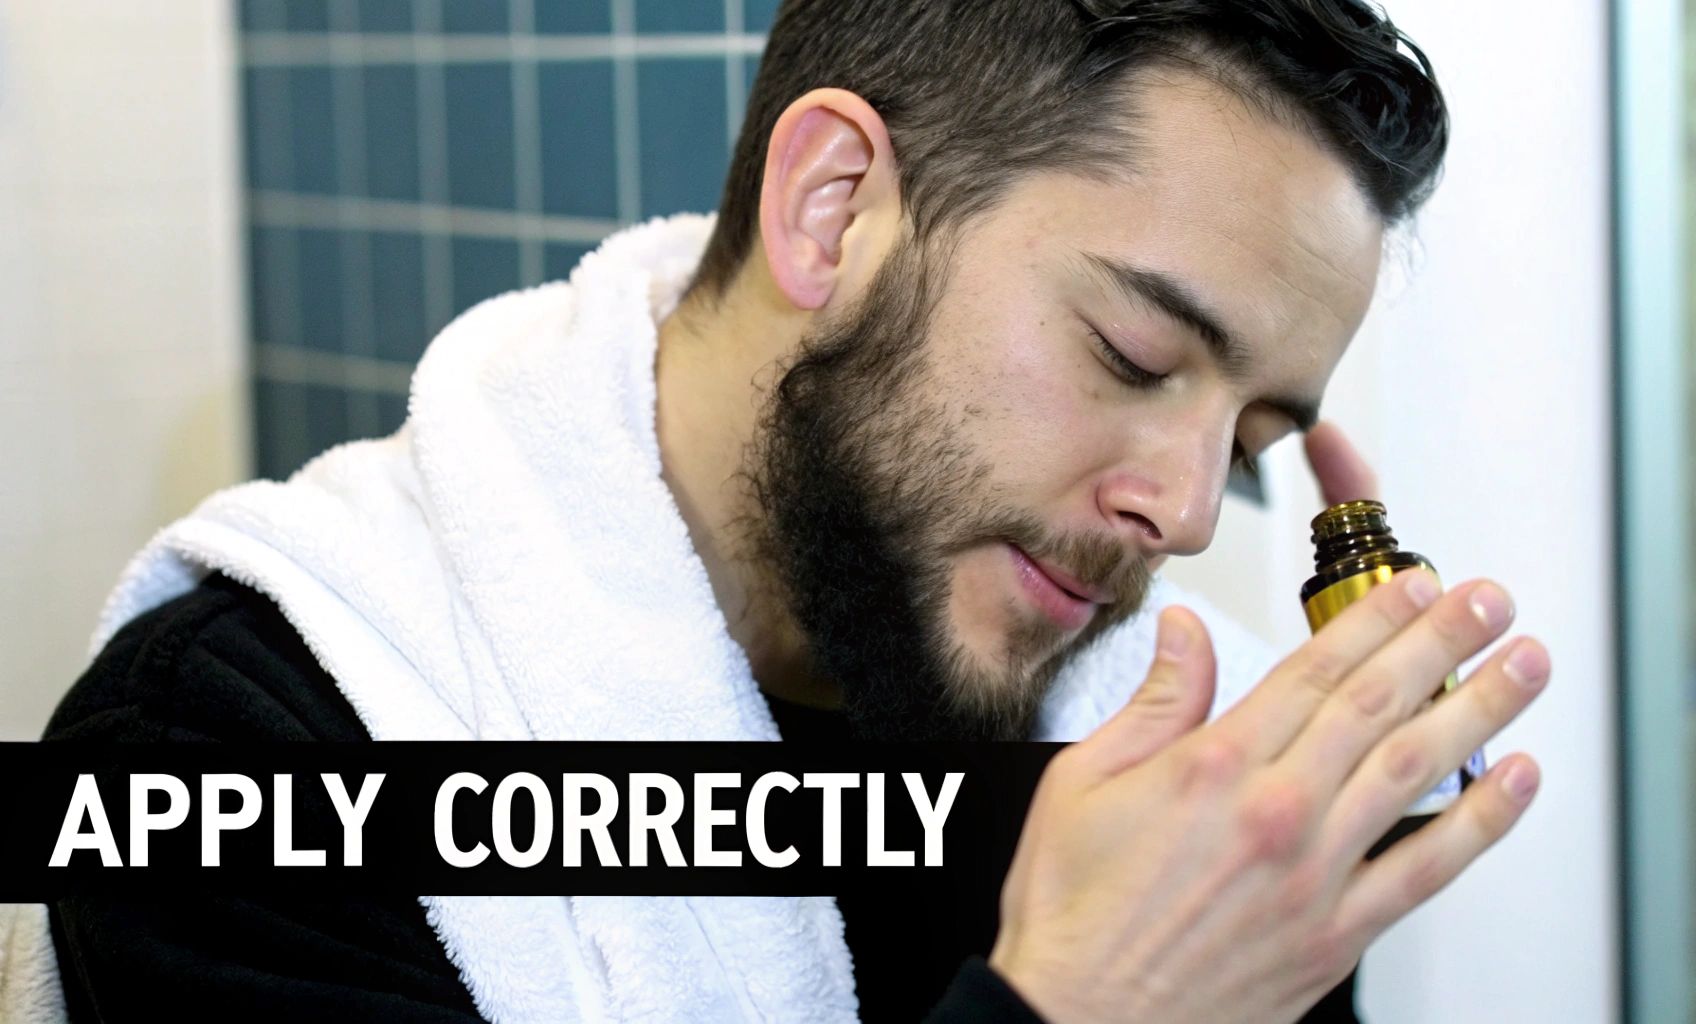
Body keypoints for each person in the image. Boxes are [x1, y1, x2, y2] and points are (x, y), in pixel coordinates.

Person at [35, 1, 1551, 1022]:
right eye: (1136, 355)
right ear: (833, 211)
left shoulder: (1175, 790)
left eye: (1250, 441)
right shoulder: (231, 757)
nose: (1179, 515)